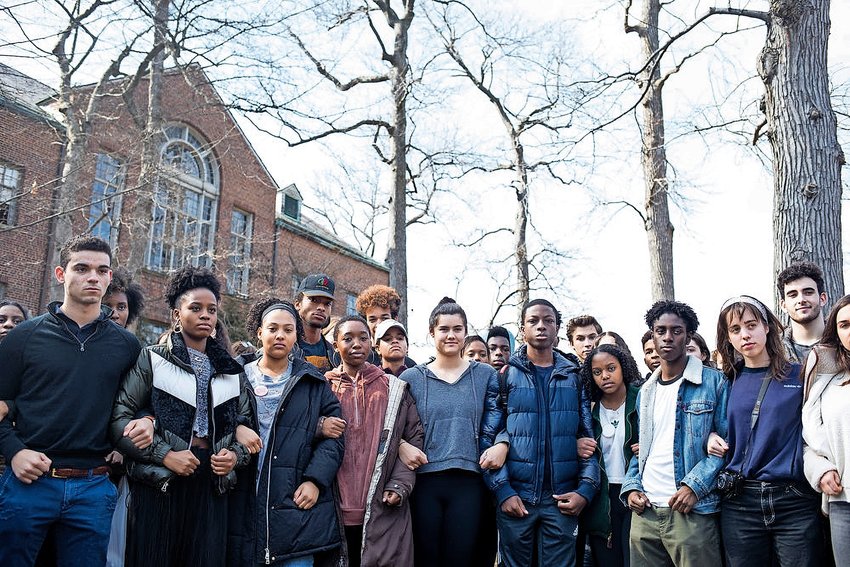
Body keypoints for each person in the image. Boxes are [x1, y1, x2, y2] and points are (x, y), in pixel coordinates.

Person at [0, 236, 143, 567]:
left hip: (93, 487)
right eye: (82, 268)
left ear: (109, 279)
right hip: (28, 483)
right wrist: (14, 451)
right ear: (61, 274)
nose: (93, 276)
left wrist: (143, 423)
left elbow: (141, 405)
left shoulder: (127, 345)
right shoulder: (25, 336)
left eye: (101, 270)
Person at [111, 265, 251, 567]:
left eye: (212, 310)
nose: (205, 315)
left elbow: (246, 430)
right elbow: (119, 420)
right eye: (196, 308)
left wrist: (234, 457)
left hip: (212, 485)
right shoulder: (152, 358)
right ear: (177, 314)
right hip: (159, 484)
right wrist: (165, 455)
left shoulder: (230, 370)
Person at [481, 298, 600, 567]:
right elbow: (488, 439)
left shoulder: (573, 376)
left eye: (548, 320)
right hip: (517, 497)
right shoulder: (504, 376)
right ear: (522, 329)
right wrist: (503, 491)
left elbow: (587, 438)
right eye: (533, 321)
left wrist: (585, 490)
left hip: (562, 499)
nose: (541, 326)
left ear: (557, 329)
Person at [228, 298, 345, 567]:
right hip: (242, 505)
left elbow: (336, 437)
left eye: (288, 330)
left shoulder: (313, 382)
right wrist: (236, 428)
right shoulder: (234, 376)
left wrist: (315, 480)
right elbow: (213, 419)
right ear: (259, 333)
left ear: (297, 335)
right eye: (272, 328)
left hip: (296, 512)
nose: (280, 335)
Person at [708, 295, 820, 566]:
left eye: (751, 325)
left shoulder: (800, 374)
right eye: (735, 330)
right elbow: (706, 426)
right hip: (739, 502)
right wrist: (709, 435)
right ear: (729, 337)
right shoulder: (724, 382)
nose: (745, 334)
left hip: (794, 499)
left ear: (767, 326)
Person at [621, 301, 728, 567]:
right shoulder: (646, 391)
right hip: (645, 513)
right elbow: (643, 448)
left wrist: (695, 485)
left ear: (688, 336)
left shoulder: (713, 382)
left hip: (690, 511)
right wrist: (632, 486)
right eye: (660, 330)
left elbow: (728, 445)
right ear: (652, 335)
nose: (668, 337)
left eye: (676, 331)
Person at [400, 297, 499, 567]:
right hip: (425, 482)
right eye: (444, 329)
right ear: (432, 333)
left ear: (465, 333)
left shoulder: (485, 375)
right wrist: (400, 445)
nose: (451, 335)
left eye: (457, 329)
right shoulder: (411, 378)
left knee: (462, 557)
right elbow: (391, 426)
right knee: (426, 557)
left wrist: (503, 444)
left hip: (470, 481)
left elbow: (503, 418)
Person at [326, 315, 424, 567]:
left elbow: (413, 438)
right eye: (347, 338)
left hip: (383, 507)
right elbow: (303, 434)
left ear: (371, 344)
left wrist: (399, 485)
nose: (356, 344)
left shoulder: (393, 388)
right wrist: (319, 426)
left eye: (363, 337)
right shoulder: (323, 386)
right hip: (331, 507)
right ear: (335, 345)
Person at [580, 344, 641, 567]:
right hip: (602, 498)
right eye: (597, 372)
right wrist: (578, 444)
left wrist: (649, 446)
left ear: (623, 367)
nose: (605, 376)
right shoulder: (589, 409)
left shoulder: (642, 399)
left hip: (636, 493)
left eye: (611, 368)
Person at [802, 294, 850, 560]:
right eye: (844, 324)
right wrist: (821, 470)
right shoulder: (827, 383)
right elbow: (809, 441)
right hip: (843, 500)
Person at [777, 262, 828, 364]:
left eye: (808, 292)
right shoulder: (773, 350)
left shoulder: (843, 342)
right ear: (783, 305)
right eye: (793, 295)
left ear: (822, 299)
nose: (801, 299)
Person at [295, 274, 336, 372]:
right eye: (313, 300)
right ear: (297, 304)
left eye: (327, 304)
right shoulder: (285, 347)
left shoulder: (334, 354)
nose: (321, 308)